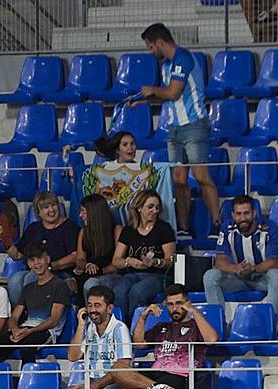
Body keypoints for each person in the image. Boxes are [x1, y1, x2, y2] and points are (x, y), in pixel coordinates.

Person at [133, 23, 220, 240]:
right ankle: (183, 228)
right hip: (174, 128)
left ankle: (217, 225)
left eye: (151, 47)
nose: (151, 52)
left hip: (194, 126)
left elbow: (172, 92)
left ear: (160, 43)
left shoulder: (184, 58)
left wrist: (152, 90)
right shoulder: (166, 66)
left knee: (200, 175)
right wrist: (142, 100)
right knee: (179, 179)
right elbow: (167, 95)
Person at [59, 284, 137, 389]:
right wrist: (81, 325)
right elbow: (72, 356)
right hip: (91, 380)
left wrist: (97, 385)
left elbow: (123, 366)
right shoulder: (87, 327)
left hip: (117, 381)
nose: (92, 310)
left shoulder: (119, 329)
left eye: (97, 305)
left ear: (109, 308)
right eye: (89, 305)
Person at [133, 283, 218, 389]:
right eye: (170, 304)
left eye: (179, 304)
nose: (174, 309)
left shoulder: (196, 326)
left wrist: (193, 311)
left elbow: (212, 340)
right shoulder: (161, 327)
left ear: (187, 303)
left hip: (180, 376)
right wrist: (143, 316)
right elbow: (138, 344)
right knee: (120, 373)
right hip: (155, 373)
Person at [204, 195, 278, 316]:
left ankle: (273, 321)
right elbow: (220, 261)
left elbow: (273, 262)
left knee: (276, 275)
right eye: (238, 213)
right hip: (237, 278)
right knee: (210, 276)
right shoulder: (227, 228)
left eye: (246, 213)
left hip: (261, 279)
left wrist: (252, 269)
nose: (243, 218)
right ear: (233, 215)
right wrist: (235, 268)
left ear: (254, 213)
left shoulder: (268, 228)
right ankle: (217, 322)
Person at [0, 190, 81, 309]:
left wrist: (48, 267)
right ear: (38, 213)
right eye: (46, 207)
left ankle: (37, 317)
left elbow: (75, 256)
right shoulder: (33, 229)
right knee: (15, 280)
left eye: (53, 205)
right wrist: (4, 239)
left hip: (62, 274)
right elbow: (17, 255)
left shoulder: (70, 227)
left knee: (31, 278)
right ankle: (21, 315)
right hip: (36, 270)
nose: (51, 210)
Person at [109, 189, 176, 321]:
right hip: (131, 274)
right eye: (150, 207)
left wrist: (156, 262)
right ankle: (122, 327)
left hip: (157, 275)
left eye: (157, 207)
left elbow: (171, 260)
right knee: (119, 290)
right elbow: (116, 261)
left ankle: (135, 328)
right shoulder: (129, 229)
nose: (155, 211)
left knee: (137, 291)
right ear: (139, 208)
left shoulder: (164, 228)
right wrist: (129, 261)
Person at [83, 130, 173, 228]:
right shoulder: (105, 168)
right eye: (125, 144)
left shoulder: (143, 170)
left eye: (132, 144)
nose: (130, 147)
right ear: (117, 150)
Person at [10, 245, 72, 363]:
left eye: (39, 258)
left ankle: (30, 379)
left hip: (46, 331)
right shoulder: (27, 288)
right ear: (29, 264)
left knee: (27, 347)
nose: (36, 263)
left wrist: (30, 331)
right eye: (32, 260)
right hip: (25, 329)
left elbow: (54, 320)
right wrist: (14, 329)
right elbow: (14, 316)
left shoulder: (59, 286)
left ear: (47, 259)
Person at [74, 193, 123, 301]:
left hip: (110, 275)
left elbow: (117, 265)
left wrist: (97, 271)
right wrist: (87, 265)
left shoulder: (116, 230)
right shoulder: (83, 232)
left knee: (91, 285)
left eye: (83, 211)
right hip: (89, 274)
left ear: (94, 213)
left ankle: (92, 316)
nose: (80, 215)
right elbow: (79, 259)